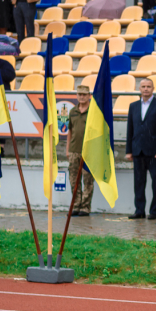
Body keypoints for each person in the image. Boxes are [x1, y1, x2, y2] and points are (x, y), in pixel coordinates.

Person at [126, 78, 156, 220]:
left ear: (153, 88)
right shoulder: (133, 106)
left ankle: (154, 211)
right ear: (139, 88)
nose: (146, 89)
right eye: (143, 86)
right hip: (138, 150)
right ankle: (139, 210)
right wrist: (129, 150)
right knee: (138, 182)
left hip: (154, 152)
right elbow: (130, 129)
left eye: (148, 86)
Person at [66, 86, 96, 217]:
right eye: (79, 94)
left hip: (89, 151)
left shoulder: (93, 111)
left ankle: (85, 207)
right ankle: (76, 205)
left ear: (89, 95)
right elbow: (70, 131)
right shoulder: (72, 111)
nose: (82, 97)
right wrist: (68, 149)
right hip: (74, 150)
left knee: (88, 180)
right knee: (74, 180)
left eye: (84, 94)